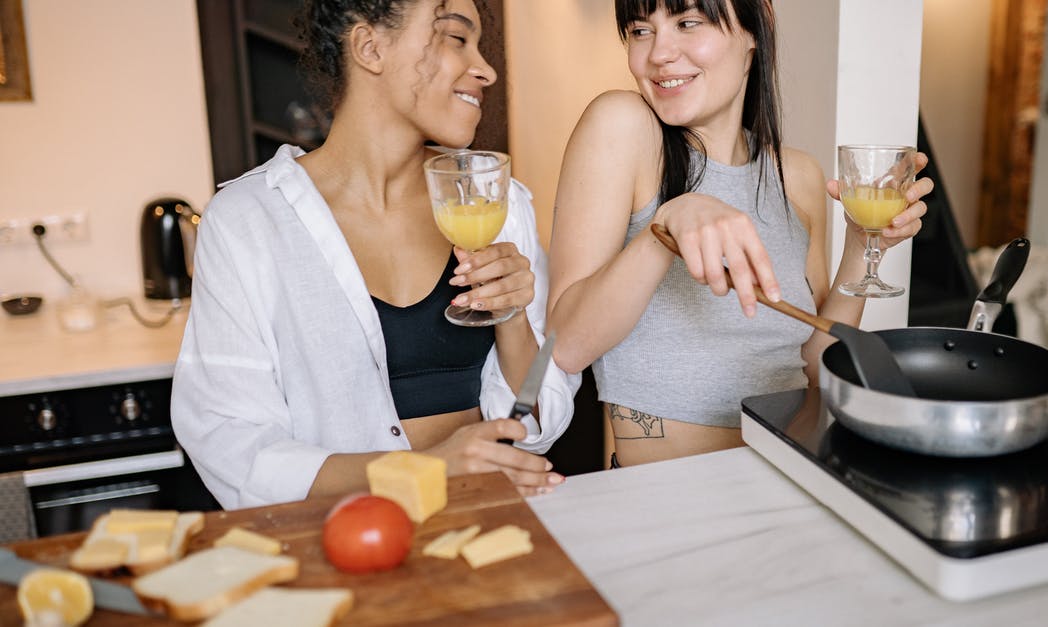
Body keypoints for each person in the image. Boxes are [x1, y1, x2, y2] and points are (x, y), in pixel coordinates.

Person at [171, 0, 578, 509]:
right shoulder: (248, 222)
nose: (486, 70)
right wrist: (427, 468)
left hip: (487, 525)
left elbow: (540, 422)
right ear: (370, 48)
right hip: (348, 544)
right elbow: (230, 443)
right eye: (456, 38)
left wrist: (513, 317)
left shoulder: (496, 200)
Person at [547, 0, 932, 468]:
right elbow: (566, 344)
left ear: (756, 28)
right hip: (670, 495)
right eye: (639, 30)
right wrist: (664, 229)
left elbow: (813, 367)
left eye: (687, 23)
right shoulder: (623, 125)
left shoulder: (798, 175)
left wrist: (861, 246)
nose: (659, 53)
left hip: (795, 477)